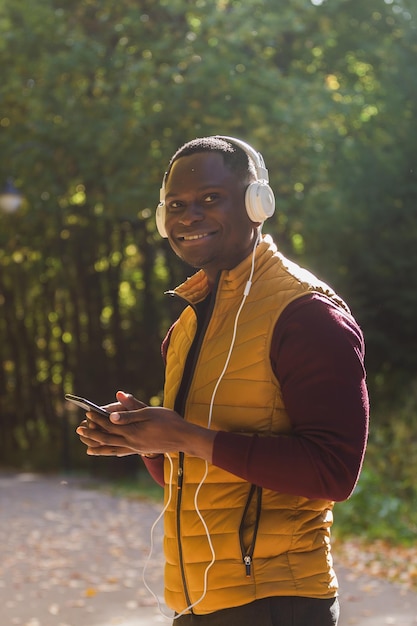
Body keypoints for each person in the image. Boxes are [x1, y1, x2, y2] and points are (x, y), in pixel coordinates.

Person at [76, 135, 369, 625]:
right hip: (196, 605)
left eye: (211, 199)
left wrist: (186, 436)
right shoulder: (187, 326)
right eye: (177, 205)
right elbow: (192, 471)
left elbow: (334, 471)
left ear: (258, 204)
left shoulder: (307, 315)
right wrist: (146, 440)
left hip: (279, 603)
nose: (189, 216)